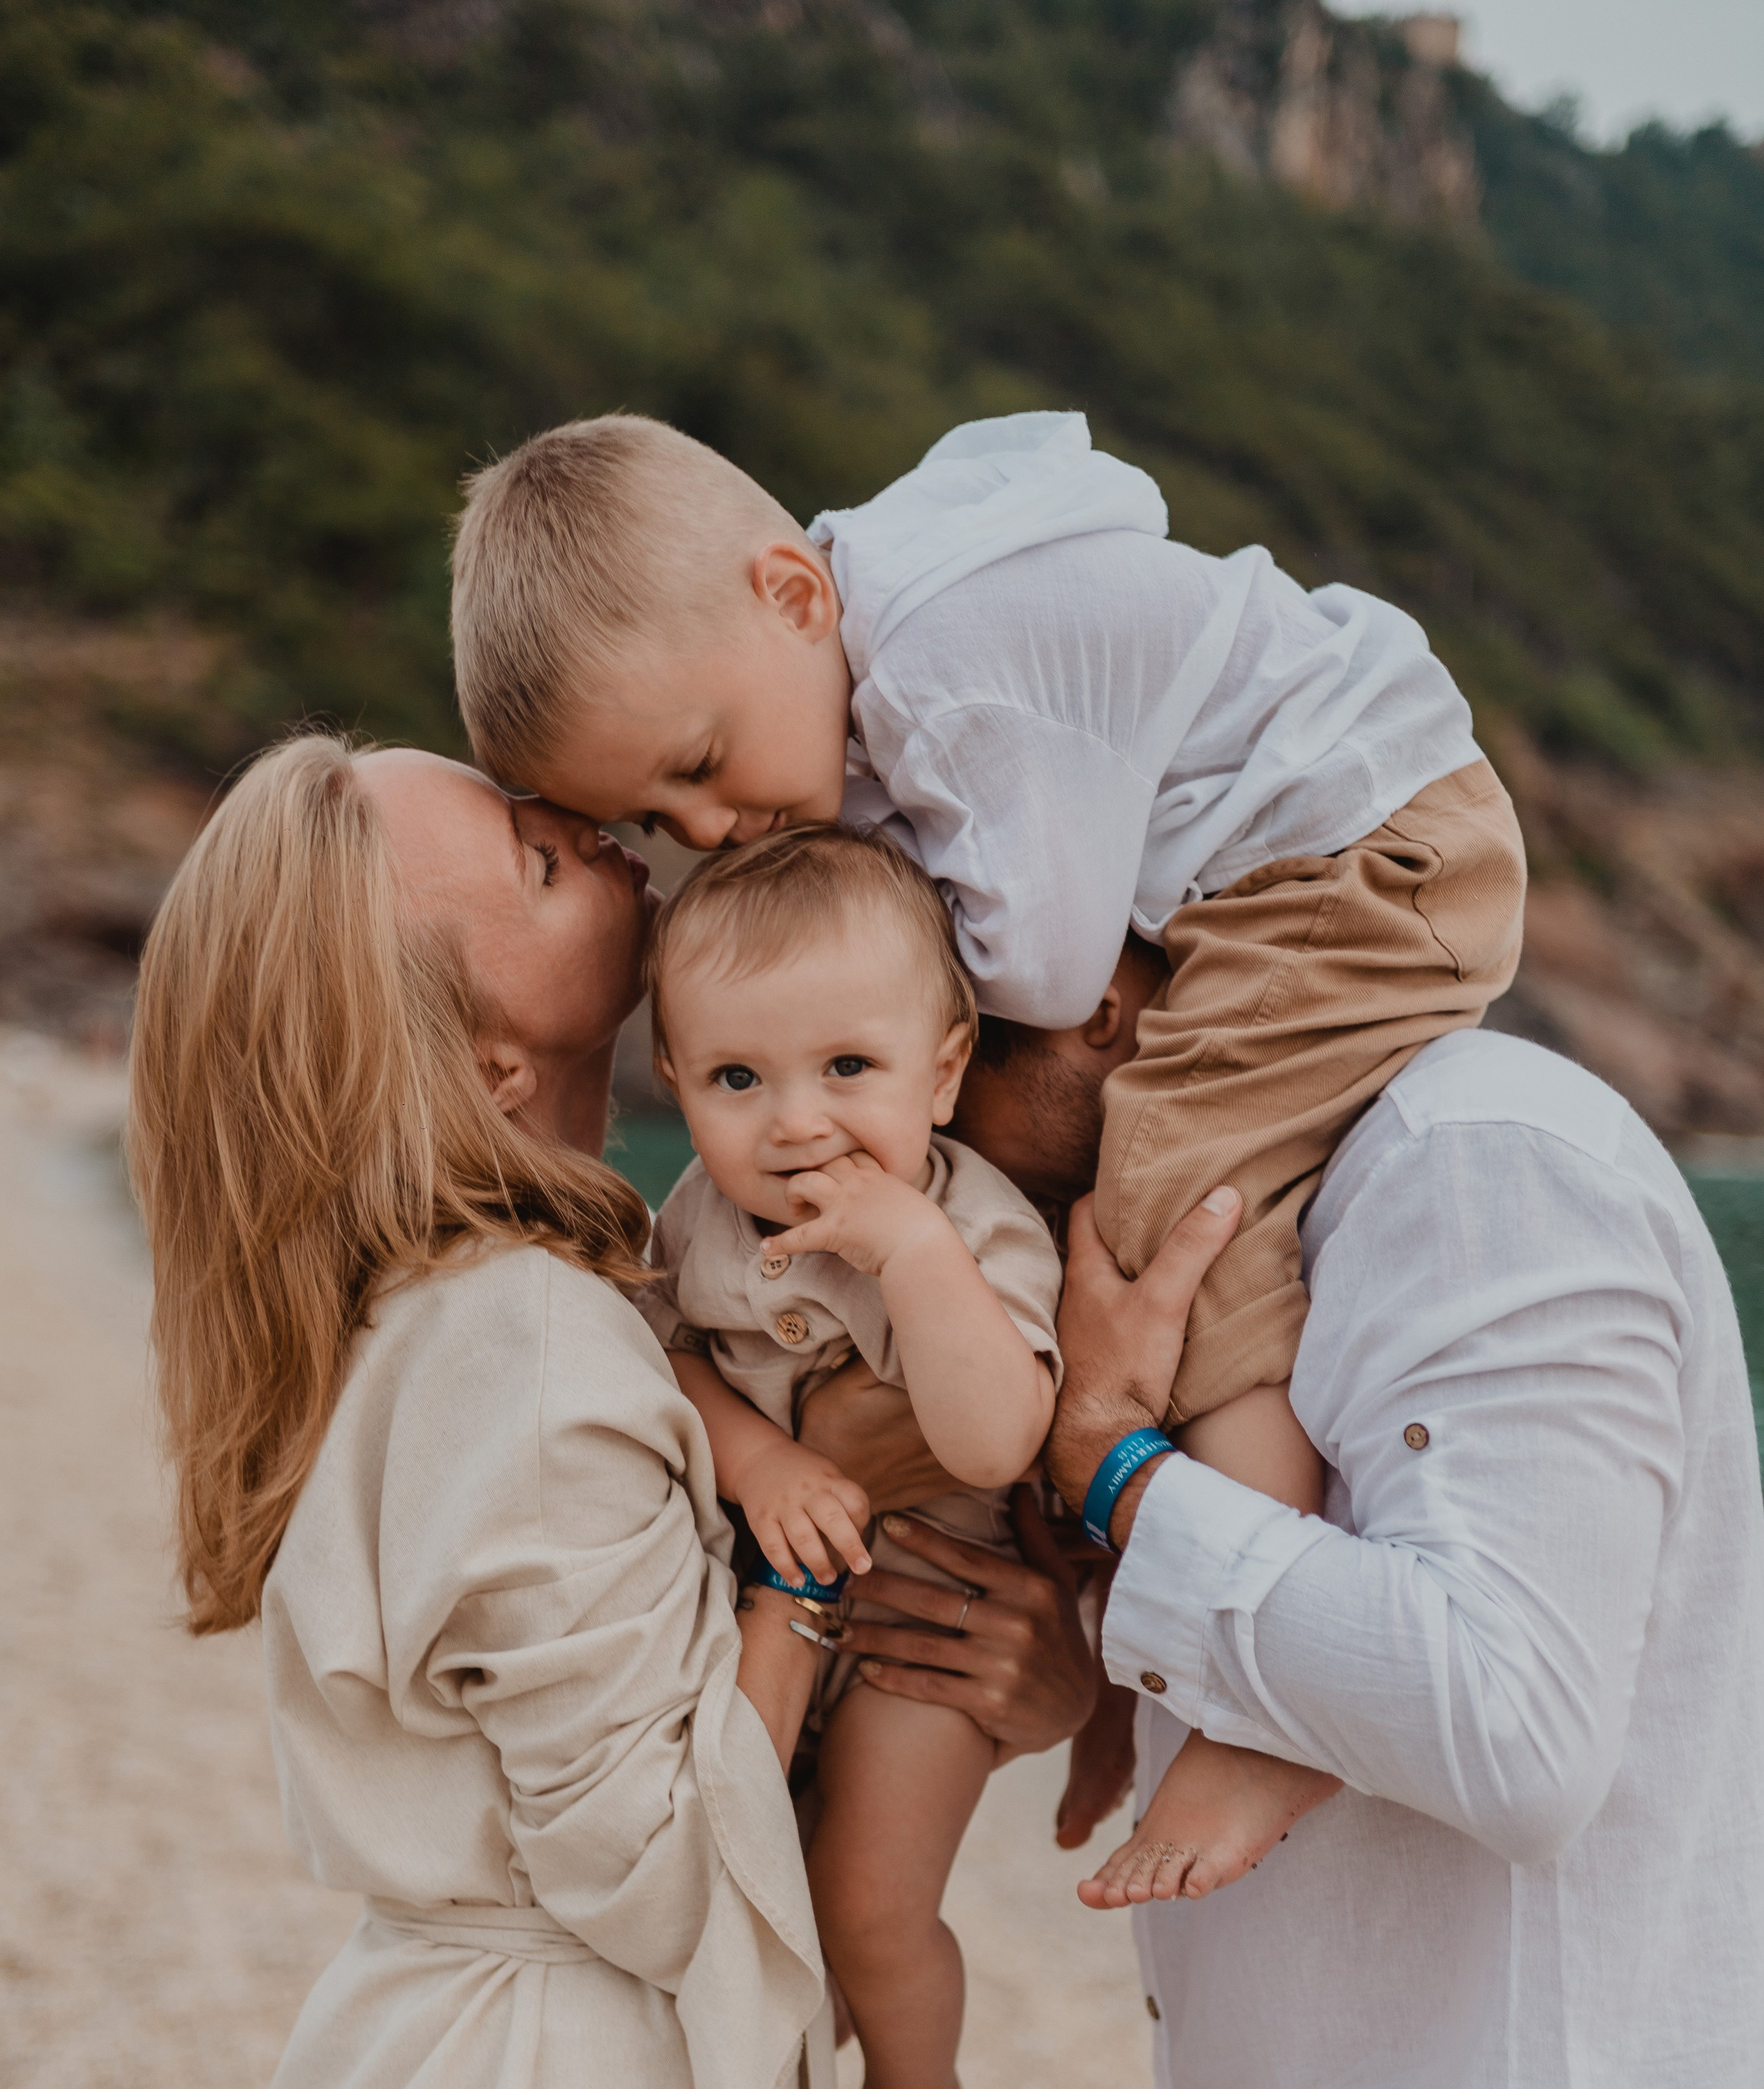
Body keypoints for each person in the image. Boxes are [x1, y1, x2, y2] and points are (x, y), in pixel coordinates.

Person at [125, 734, 879, 2089]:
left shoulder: (436, 1311)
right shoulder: (537, 1342)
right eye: (544, 862)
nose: (601, 840)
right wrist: (811, 1579)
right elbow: (640, 1858)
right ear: (472, 1058)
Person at [944, 984, 1764, 2089]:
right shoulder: (1333, 1201)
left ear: (1096, 1001)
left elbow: (1509, 1722)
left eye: (951, 1027)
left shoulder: (1472, 1165)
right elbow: (1370, 1640)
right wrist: (1094, 1669)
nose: (925, 1088)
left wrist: (1113, 1467)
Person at [446, 404, 1525, 1545]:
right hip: (1334, 839)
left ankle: (1260, 1576)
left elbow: (1050, 977)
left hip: (1368, 858)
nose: (709, 828)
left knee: (1179, 1185)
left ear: (793, 597)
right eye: (654, 817)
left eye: (701, 766)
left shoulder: (938, 672)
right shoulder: (868, 640)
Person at [637, 821, 1063, 2089]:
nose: (797, 1124)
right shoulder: (697, 1219)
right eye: (737, 1080)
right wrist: (756, 1456)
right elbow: (662, 1365)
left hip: (919, 1631)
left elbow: (994, 1439)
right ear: (675, 1086)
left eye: (849, 1071)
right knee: (742, 1880)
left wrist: (916, 1262)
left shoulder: (968, 1226)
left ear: (943, 1070)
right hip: (761, 1598)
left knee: (867, 1901)